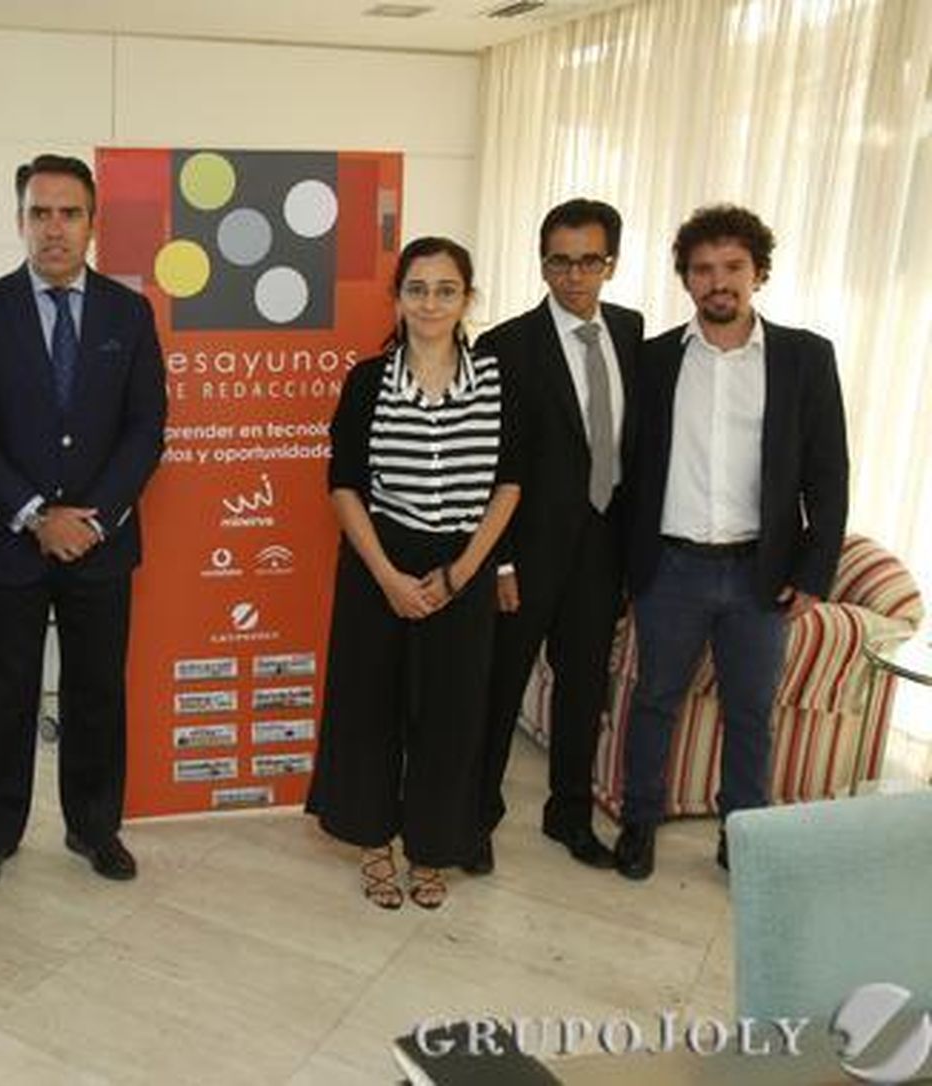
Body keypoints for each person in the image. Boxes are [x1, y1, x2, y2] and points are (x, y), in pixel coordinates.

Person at [0, 154, 166, 890]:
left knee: (97, 692)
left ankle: (95, 828)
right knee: (1, 695)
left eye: (70, 213)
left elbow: (146, 428)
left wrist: (91, 522)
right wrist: (36, 515)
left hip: (101, 545)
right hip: (10, 541)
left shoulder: (129, 313)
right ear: (20, 221)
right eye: (39, 213)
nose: (54, 228)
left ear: (93, 224)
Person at [615, 204, 848, 880]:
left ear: (758, 272)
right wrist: (625, 569)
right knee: (654, 700)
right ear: (686, 278)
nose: (718, 281)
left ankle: (741, 835)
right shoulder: (654, 360)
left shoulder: (806, 357)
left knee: (750, 712)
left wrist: (815, 573)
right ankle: (639, 821)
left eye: (732, 267)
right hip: (670, 569)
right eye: (702, 269)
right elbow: (630, 467)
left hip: (760, 573)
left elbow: (828, 473)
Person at [306, 236, 522, 910]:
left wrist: (460, 575)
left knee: (452, 716)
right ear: (398, 298)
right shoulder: (368, 381)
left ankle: (432, 848)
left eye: (446, 290)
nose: (431, 303)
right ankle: (374, 843)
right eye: (418, 289)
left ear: (467, 299)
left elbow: (510, 485)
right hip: (380, 561)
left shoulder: (498, 379)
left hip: (463, 562)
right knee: (369, 709)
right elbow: (344, 485)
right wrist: (387, 576)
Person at [471, 200, 644, 874]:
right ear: (542, 264)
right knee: (498, 690)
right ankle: (475, 817)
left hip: (602, 550)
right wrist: (499, 562)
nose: (574, 276)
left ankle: (569, 814)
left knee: (582, 693)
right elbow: (487, 466)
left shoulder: (631, 331)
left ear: (610, 264)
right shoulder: (505, 346)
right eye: (560, 262)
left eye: (588, 261)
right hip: (524, 554)